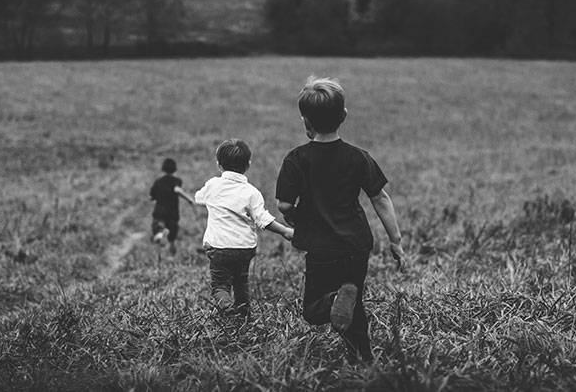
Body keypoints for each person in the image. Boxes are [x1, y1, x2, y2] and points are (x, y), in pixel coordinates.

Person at [275, 76, 406, 364]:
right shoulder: (358, 157)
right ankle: (364, 358)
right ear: (343, 116)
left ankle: (335, 301)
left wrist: (295, 217)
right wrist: (395, 240)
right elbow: (381, 198)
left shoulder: (296, 159)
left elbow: (284, 203)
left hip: (321, 248)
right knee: (352, 305)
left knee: (314, 309)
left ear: (305, 120)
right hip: (356, 246)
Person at [195, 139, 293, 317]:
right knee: (241, 281)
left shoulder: (212, 185)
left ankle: (227, 308)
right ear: (248, 164)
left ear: (219, 165)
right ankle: (244, 315)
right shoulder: (251, 192)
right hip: (244, 248)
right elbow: (262, 219)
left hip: (219, 247)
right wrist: (285, 230)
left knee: (220, 285)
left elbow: (199, 198)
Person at [149, 157, 196, 255]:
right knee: (172, 238)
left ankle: (161, 233)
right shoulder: (176, 180)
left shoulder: (158, 182)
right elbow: (177, 190)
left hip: (159, 212)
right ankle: (172, 256)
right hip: (172, 213)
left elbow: (152, 196)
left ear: (163, 168)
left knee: (157, 229)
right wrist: (189, 199)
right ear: (174, 169)